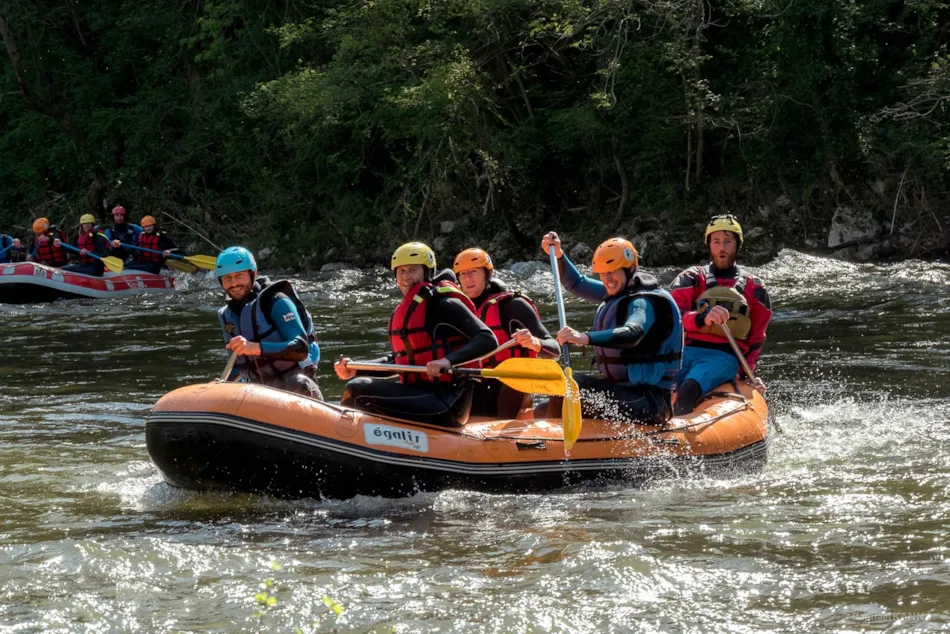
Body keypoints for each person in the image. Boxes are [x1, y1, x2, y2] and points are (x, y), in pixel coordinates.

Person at [334, 242, 498, 427]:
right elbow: (400, 361)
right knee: (358, 381)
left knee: (357, 389)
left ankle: (344, 442)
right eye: (401, 271)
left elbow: (487, 338)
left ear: (427, 272)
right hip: (417, 392)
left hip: (447, 400)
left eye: (413, 270)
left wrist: (447, 361)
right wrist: (358, 368)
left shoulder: (446, 305)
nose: (406, 277)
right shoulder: (405, 310)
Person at [541, 232, 683, 425]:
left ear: (630, 268)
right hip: (622, 392)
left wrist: (585, 337)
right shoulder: (617, 291)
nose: (607, 279)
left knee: (567, 383)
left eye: (612, 272)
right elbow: (576, 283)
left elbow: (634, 332)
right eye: (602, 274)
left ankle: (553, 446)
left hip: (649, 401)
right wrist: (559, 255)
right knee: (543, 408)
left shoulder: (644, 301)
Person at [669, 214, 771, 415]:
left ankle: (680, 440)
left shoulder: (755, 288)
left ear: (737, 245)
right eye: (716, 242)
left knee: (689, 387)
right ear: (709, 245)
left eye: (727, 242)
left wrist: (745, 374)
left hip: (724, 357)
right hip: (685, 352)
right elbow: (673, 318)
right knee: (655, 386)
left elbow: (756, 339)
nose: (722, 248)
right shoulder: (691, 278)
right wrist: (701, 318)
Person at [453, 247, 560, 418]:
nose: (468, 278)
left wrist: (535, 342)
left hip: (513, 390)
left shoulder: (513, 306)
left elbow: (555, 351)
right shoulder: (459, 309)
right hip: (478, 386)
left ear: (488, 274)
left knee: (515, 375)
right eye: (463, 274)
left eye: (473, 272)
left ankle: (502, 435)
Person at [215, 247, 323, 398]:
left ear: (253, 274)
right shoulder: (228, 315)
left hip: (296, 383)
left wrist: (255, 348)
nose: (234, 284)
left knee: (297, 383)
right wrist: (221, 386)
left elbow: (301, 348)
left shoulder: (276, 301)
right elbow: (240, 366)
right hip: (260, 391)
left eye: (239, 276)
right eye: (227, 278)